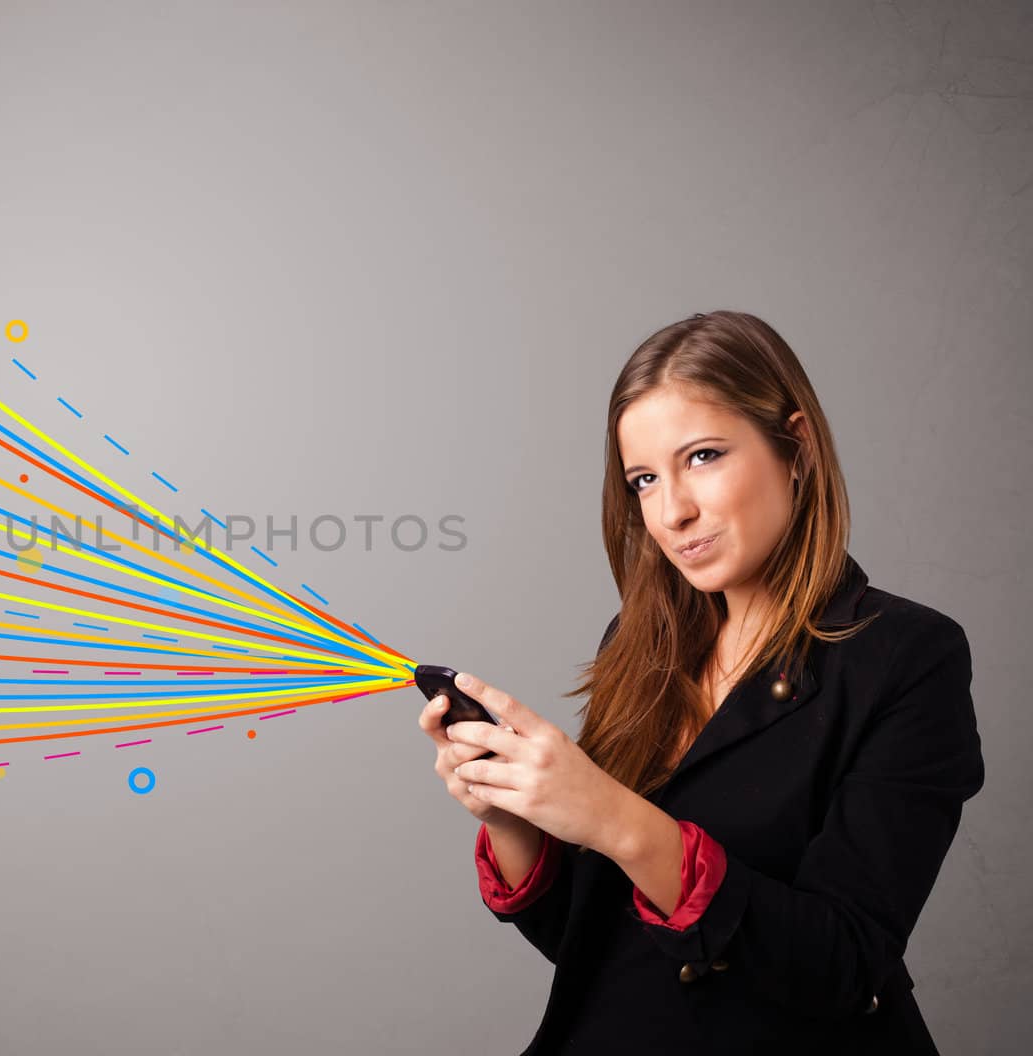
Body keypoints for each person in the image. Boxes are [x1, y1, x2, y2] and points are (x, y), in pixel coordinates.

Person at [417, 310, 985, 1054]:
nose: (673, 511)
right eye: (644, 480)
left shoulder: (908, 656)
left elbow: (842, 964)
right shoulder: (638, 643)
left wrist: (614, 818)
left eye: (705, 457)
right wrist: (516, 818)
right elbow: (599, 950)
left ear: (797, 445)